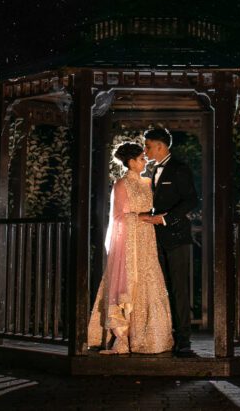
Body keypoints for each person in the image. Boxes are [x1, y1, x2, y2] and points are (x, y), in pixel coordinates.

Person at [87, 142, 174, 354]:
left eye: (144, 158)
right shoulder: (121, 184)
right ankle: (122, 338)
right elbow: (117, 217)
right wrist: (143, 217)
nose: (145, 161)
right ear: (131, 162)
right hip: (130, 239)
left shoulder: (147, 182)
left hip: (147, 237)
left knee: (149, 279)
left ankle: (151, 337)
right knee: (127, 281)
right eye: (141, 158)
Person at [140, 127, 199, 357]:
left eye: (148, 146)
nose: (145, 150)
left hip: (176, 238)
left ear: (161, 146)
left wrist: (166, 218)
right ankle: (165, 335)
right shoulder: (152, 169)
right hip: (156, 239)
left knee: (179, 289)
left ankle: (184, 340)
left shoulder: (179, 169)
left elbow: (191, 200)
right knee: (161, 289)